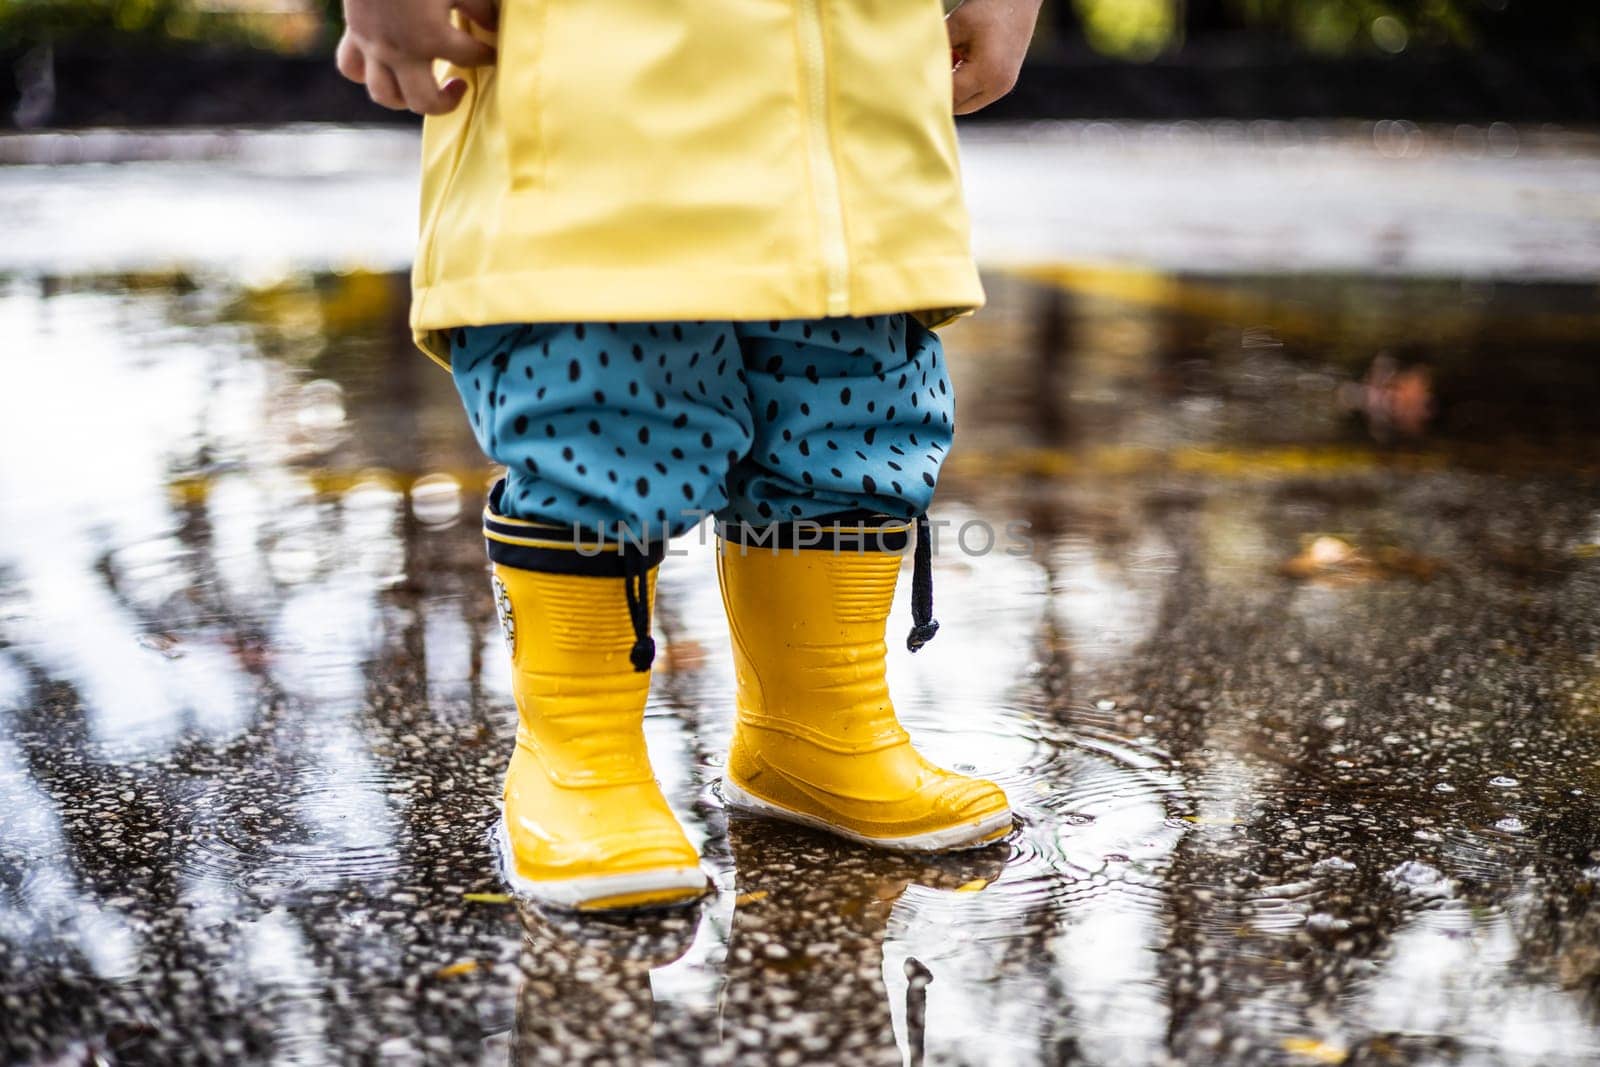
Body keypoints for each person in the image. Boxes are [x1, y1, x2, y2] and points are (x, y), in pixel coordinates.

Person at [335, 0, 1042, 911]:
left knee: (853, 408)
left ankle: (816, 728)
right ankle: (578, 754)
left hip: (858, 88)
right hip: (595, 84)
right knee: (598, 405)